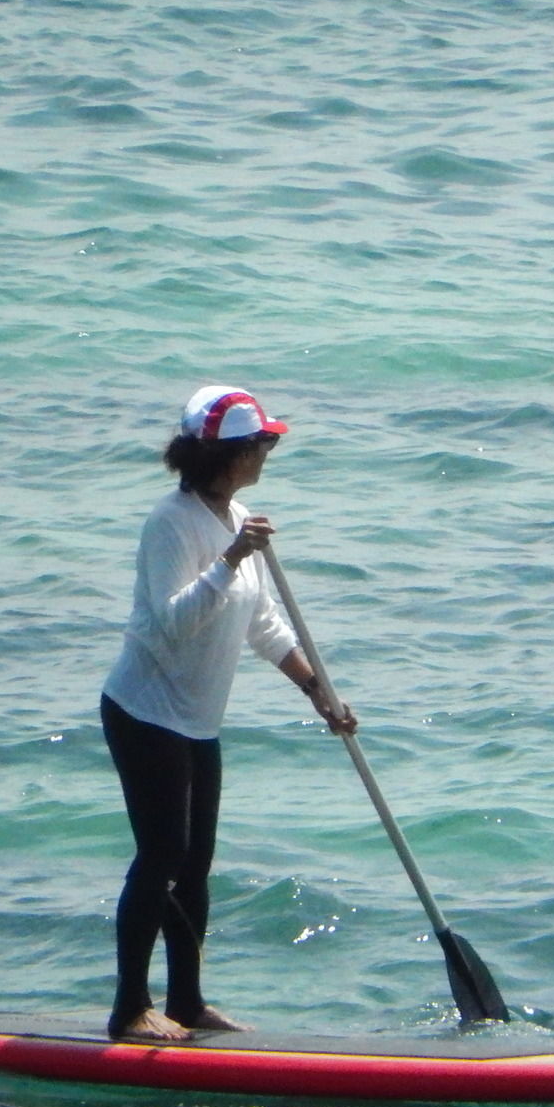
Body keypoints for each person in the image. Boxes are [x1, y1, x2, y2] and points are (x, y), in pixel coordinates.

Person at [100, 385, 357, 1042]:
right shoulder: (171, 523)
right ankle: (130, 1010)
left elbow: (265, 624)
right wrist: (233, 557)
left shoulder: (233, 516)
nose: (269, 453)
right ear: (233, 454)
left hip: (197, 720)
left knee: (195, 863)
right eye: (263, 444)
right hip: (145, 711)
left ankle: (186, 1002)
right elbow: (174, 622)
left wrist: (317, 692)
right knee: (160, 855)